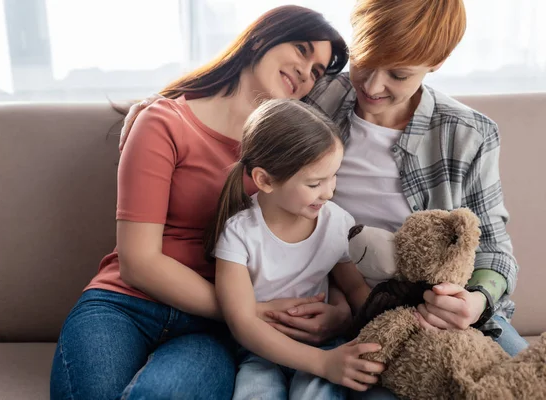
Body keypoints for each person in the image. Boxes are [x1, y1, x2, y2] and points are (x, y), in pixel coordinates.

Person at [121, 1, 528, 398]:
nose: (372, 86)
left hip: (426, 313)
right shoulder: (319, 95)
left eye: (399, 75)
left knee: (523, 377)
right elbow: (246, 113)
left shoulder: (468, 134)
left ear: (436, 63)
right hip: (334, 306)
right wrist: (155, 108)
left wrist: (474, 301)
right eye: (365, 62)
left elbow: (494, 249)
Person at [49, 5, 350, 400]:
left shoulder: (295, 154)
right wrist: (248, 311)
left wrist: (342, 314)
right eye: (301, 49)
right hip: (123, 305)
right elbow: (138, 263)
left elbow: (323, 237)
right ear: (260, 37)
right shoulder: (163, 121)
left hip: (209, 330)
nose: (305, 71)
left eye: (316, 72)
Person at [209, 98, 384, 399]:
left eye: (333, 176)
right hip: (260, 350)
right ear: (265, 180)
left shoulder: (337, 223)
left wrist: (385, 326)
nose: (328, 192)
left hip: (323, 341)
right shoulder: (239, 233)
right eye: (315, 183)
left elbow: (356, 289)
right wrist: (322, 363)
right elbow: (242, 322)